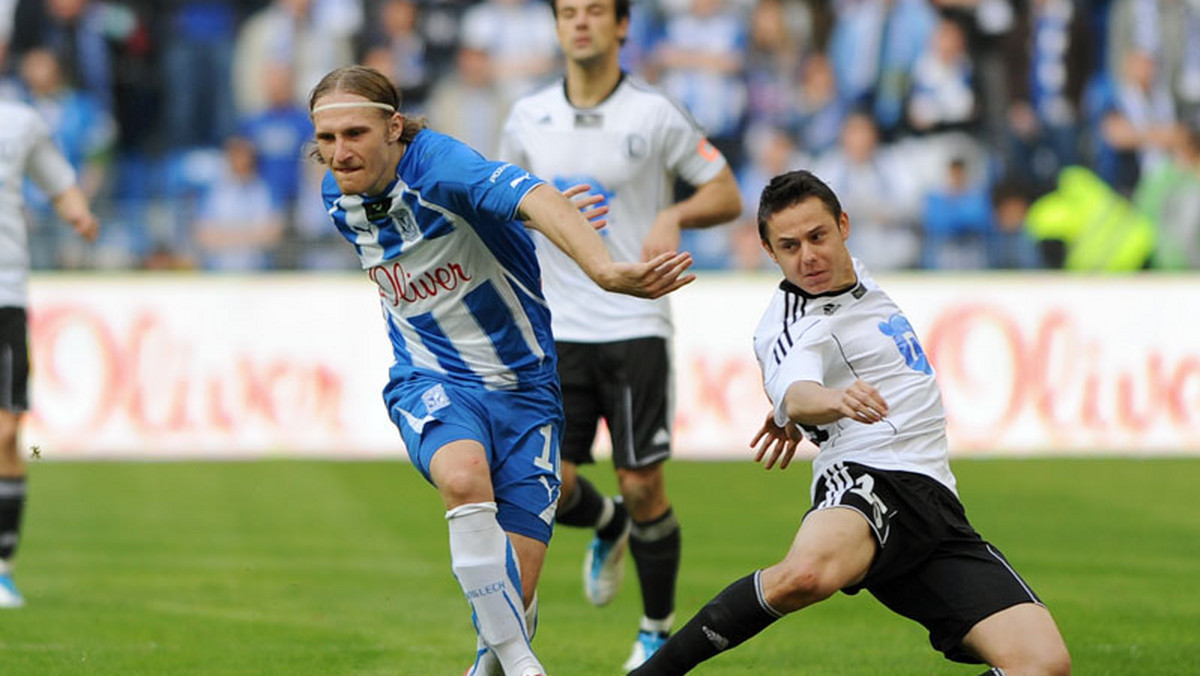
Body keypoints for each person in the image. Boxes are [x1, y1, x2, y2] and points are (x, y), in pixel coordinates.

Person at [307, 64, 696, 676]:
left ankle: (499, 653)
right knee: (463, 478)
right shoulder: (339, 193)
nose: (339, 153)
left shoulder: (439, 166)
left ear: (395, 127)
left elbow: (528, 194)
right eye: (326, 140)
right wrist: (529, 215)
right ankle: (524, 664)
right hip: (431, 376)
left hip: (525, 390)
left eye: (354, 133)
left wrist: (600, 266)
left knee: (509, 601)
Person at [628, 169, 1072, 676]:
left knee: (1043, 665)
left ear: (843, 225)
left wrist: (794, 414)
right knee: (805, 576)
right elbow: (798, 391)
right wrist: (824, 404)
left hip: (937, 505)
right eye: (789, 246)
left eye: (817, 236)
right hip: (867, 475)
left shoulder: (860, 277)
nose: (808, 256)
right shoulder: (792, 324)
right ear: (770, 254)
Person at [498, 0, 742, 670]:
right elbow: (499, 211)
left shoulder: (654, 114)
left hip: (635, 319)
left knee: (644, 485)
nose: (581, 22)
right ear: (555, 27)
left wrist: (675, 212)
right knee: (551, 484)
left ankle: (656, 627)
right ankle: (609, 527)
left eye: (596, 10)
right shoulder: (526, 118)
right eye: (568, 11)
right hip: (556, 326)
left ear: (622, 26)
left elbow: (727, 192)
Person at [0, 98, 99, 608]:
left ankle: (2, 568)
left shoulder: (20, 123)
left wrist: (78, 214)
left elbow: (58, 180)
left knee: (8, 432)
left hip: (6, 294)